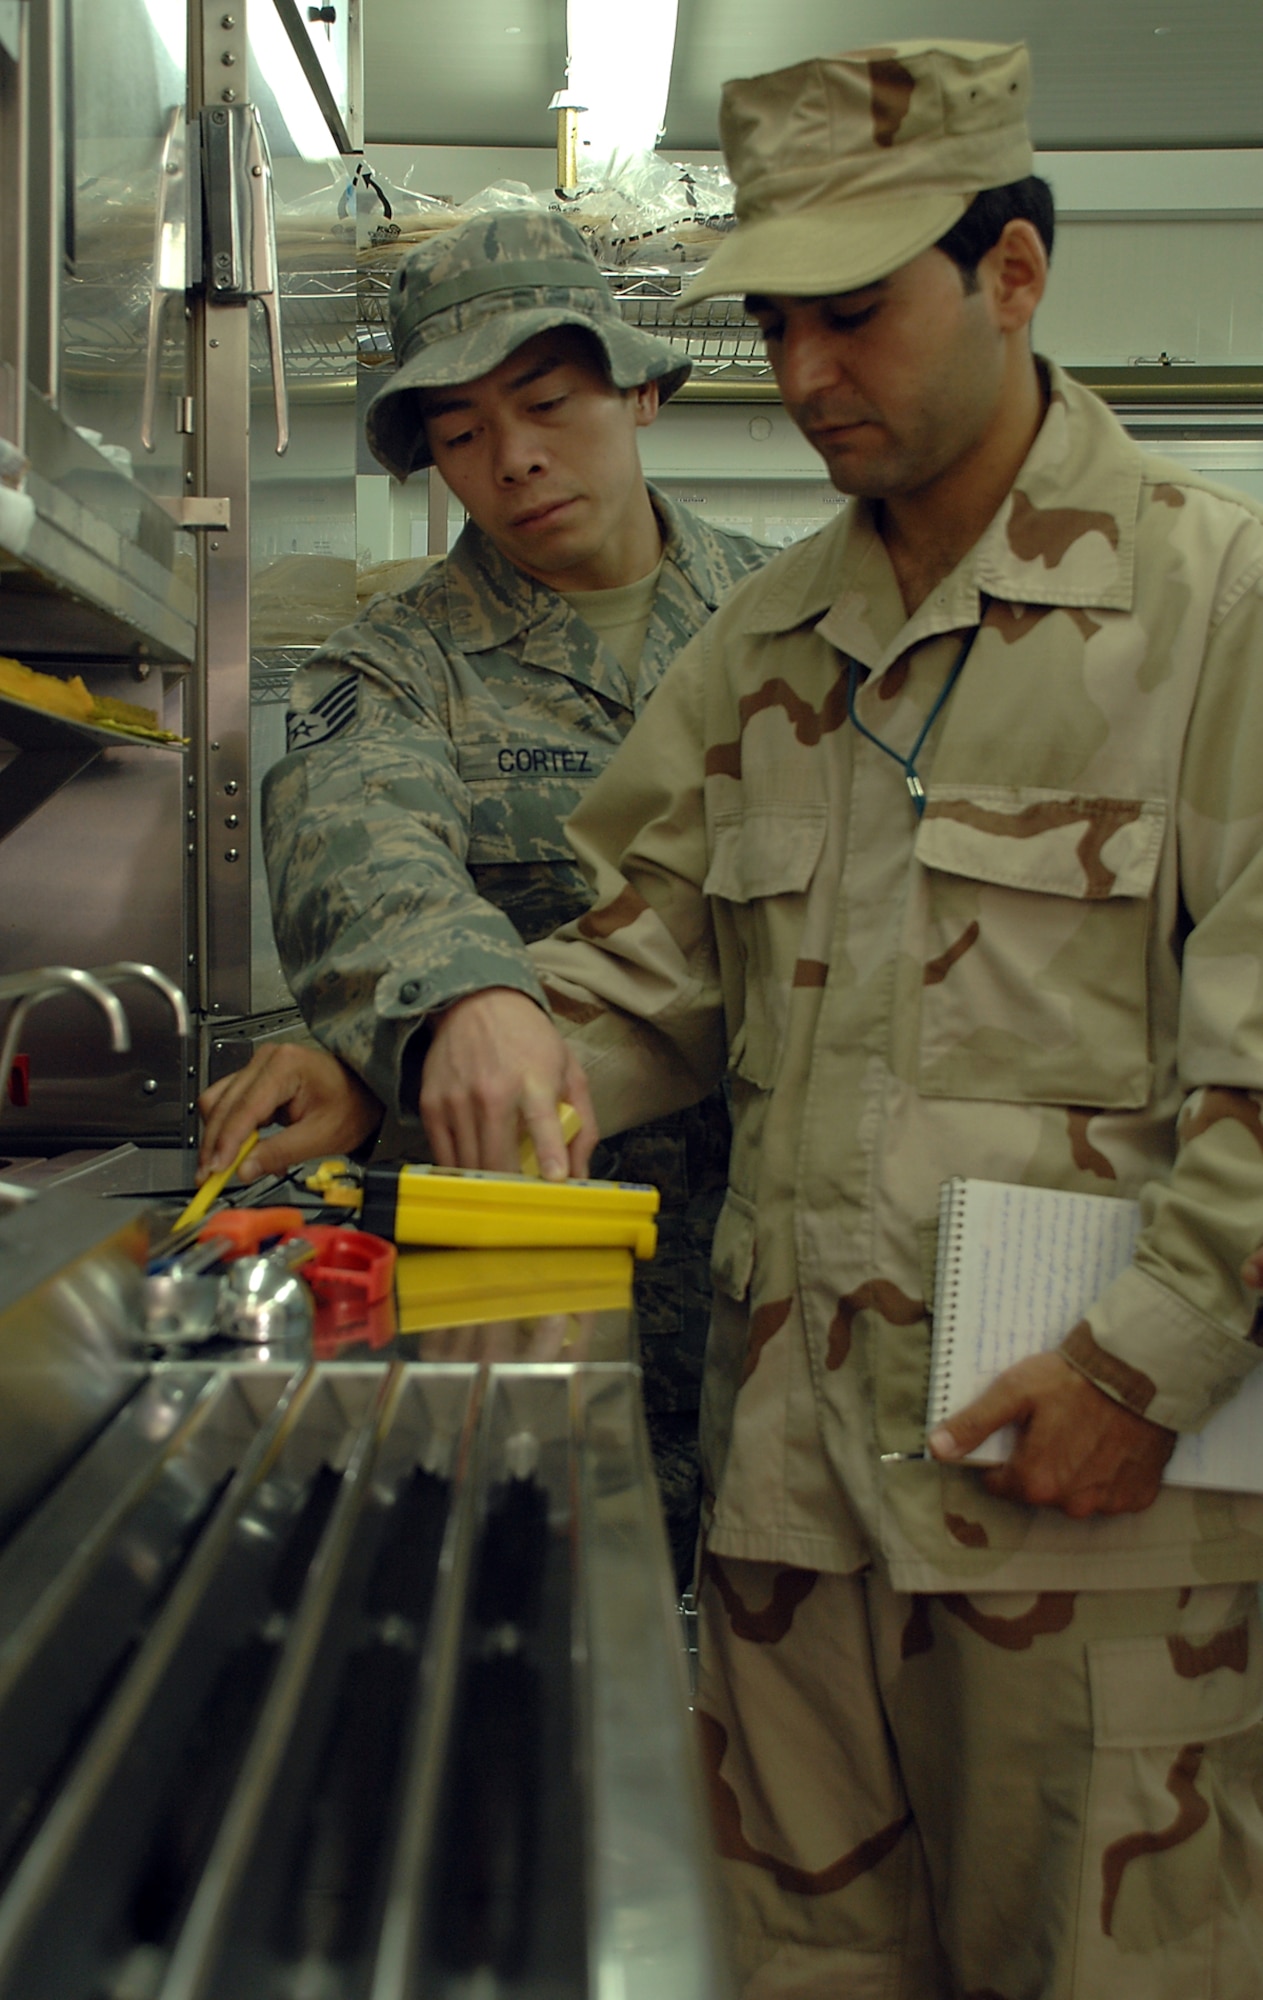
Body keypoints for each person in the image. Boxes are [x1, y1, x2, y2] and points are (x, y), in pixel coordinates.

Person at [412, 41, 1263, 2000]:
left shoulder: (1210, 610)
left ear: (1014, 276)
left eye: (854, 310)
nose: (801, 376)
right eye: (773, 321)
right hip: (793, 1532)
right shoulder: (768, 644)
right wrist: (472, 1033)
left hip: (1083, 1542)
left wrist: (1140, 1367)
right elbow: (645, 975)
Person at [198, 211, 768, 1582]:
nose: (509, 458)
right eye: (458, 433)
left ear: (637, 388)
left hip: (779, 1297)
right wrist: (464, 998)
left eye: (547, 403)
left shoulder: (792, 621)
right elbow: (358, 844)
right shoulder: (393, 663)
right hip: (516, 1303)